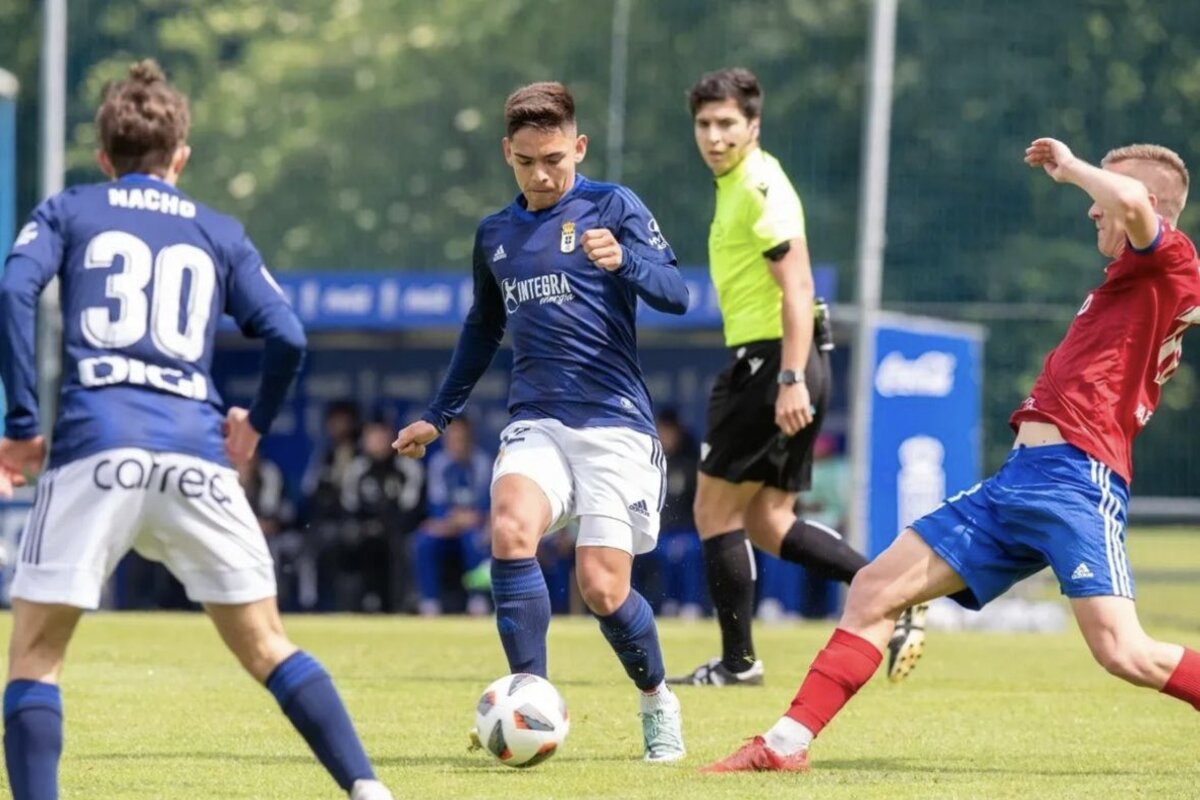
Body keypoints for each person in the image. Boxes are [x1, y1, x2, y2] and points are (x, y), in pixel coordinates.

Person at [703, 138, 1200, 773]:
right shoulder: (1131, 278)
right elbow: (1123, 200)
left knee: (1124, 652)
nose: (1091, 208)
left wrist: (1071, 167)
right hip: (1020, 481)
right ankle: (784, 744)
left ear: (1151, 205)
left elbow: (1126, 197)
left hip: (1076, 481)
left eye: (1104, 194)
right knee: (875, 589)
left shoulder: (1171, 259)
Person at [0, 61, 392, 800]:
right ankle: (367, 789)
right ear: (181, 157)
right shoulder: (218, 229)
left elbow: (14, 288)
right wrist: (255, 426)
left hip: (97, 446)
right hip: (195, 453)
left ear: (104, 156)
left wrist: (22, 425)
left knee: (37, 655)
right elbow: (289, 337)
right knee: (269, 646)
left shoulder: (71, 209)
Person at [394, 81, 690, 762]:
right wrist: (438, 416)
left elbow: (676, 291)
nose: (542, 173)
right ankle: (533, 702)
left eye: (554, 157)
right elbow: (483, 326)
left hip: (616, 426)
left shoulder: (612, 206)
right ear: (508, 153)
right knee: (508, 527)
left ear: (578, 146)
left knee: (602, 588)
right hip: (538, 422)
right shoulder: (495, 234)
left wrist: (629, 260)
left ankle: (657, 701)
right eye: (527, 161)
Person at [670, 67, 926, 688]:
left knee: (714, 512)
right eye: (704, 124)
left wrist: (787, 376)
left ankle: (738, 664)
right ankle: (893, 601)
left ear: (752, 126)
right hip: (792, 361)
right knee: (768, 520)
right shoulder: (739, 182)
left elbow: (800, 285)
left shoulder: (758, 186)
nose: (714, 135)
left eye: (727, 123)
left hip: (772, 362)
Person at [413, 418, 492, 616]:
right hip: (447, 526)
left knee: (474, 539)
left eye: (462, 438)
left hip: (475, 527)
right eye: (453, 438)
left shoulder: (482, 462)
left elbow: (484, 506)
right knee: (423, 541)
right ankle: (429, 602)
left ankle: (478, 600)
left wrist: (468, 519)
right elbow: (437, 505)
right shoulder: (439, 463)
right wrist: (455, 520)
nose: (457, 443)